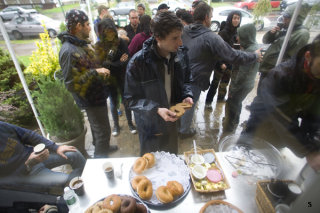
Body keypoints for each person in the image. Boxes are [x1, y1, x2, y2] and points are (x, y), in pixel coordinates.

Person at [178, 2, 261, 138]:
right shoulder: (211, 37)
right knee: (188, 105)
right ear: (206, 17)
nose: (211, 19)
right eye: (210, 17)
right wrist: (254, 56)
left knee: (182, 102)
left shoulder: (185, 30)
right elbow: (233, 56)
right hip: (195, 79)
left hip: (180, 74)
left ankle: (179, 124)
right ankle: (184, 130)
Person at [240, 35, 320, 172]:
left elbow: (314, 114)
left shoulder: (316, 78)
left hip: (284, 134)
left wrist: (314, 141)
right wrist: (308, 151)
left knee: (269, 167)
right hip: (261, 124)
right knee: (242, 161)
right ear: (308, 56)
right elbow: (281, 117)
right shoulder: (281, 76)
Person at [124, 11, 193, 155]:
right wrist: (156, 109)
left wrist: (187, 94)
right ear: (158, 38)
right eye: (174, 38)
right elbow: (130, 100)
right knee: (151, 166)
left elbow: (187, 79)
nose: (180, 42)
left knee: (172, 160)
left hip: (172, 123)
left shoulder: (180, 54)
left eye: (180, 36)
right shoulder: (138, 63)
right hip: (150, 128)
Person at [58, 9, 118, 158]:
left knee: (99, 131)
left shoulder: (79, 44)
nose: (90, 27)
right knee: (103, 132)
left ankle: (102, 146)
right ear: (78, 26)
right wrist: (95, 72)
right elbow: (70, 84)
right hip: (90, 100)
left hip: (97, 94)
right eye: (87, 24)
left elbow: (84, 67)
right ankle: (100, 161)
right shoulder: (68, 51)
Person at [0, 121, 86, 194]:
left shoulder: (2, 126)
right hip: (25, 174)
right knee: (71, 181)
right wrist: (27, 164)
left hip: (34, 156)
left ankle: (87, 181)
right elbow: (7, 184)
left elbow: (28, 135)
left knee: (74, 153)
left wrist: (56, 147)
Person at [95, 18, 137, 136]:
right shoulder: (99, 45)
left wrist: (112, 64)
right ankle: (116, 126)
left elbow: (127, 58)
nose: (110, 34)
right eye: (107, 31)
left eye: (111, 31)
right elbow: (101, 64)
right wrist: (118, 62)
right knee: (113, 103)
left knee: (126, 101)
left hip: (122, 77)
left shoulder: (120, 42)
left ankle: (130, 123)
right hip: (109, 80)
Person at [259, 3, 310, 82]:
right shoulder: (288, 29)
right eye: (283, 18)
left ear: (296, 19)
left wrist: (274, 69)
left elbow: (292, 59)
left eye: (287, 18)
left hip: (275, 73)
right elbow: (265, 41)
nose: (284, 20)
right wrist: (272, 34)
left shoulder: (301, 34)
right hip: (267, 70)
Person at [223, 24, 260, 132]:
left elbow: (242, 74)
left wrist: (233, 89)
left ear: (246, 36)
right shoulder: (252, 46)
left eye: (240, 36)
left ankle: (229, 126)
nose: (237, 38)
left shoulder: (250, 51)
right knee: (237, 103)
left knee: (233, 104)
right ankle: (233, 122)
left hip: (241, 85)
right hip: (247, 84)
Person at [205, 10, 242, 105]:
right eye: (234, 18)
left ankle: (220, 99)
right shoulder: (223, 33)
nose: (236, 20)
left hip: (230, 63)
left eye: (238, 18)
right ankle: (208, 102)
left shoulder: (237, 33)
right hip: (221, 63)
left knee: (224, 83)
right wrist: (221, 63)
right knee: (215, 83)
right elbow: (217, 50)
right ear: (230, 19)